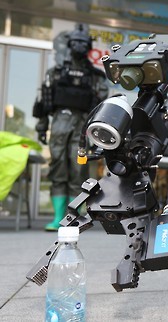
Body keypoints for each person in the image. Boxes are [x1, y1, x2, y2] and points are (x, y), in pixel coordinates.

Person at [33, 24, 109, 231]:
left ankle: (74, 215)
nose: (78, 46)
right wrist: (42, 127)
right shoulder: (55, 73)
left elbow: (101, 108)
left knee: (78, 170)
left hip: (82, 127)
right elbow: (44, 103)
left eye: (83, 43)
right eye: (75, 42)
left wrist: (98, 136)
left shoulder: (96, 77)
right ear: (69, 44)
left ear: (89, 47)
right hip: (59, 124)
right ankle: (58, 215)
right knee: (58, 169)